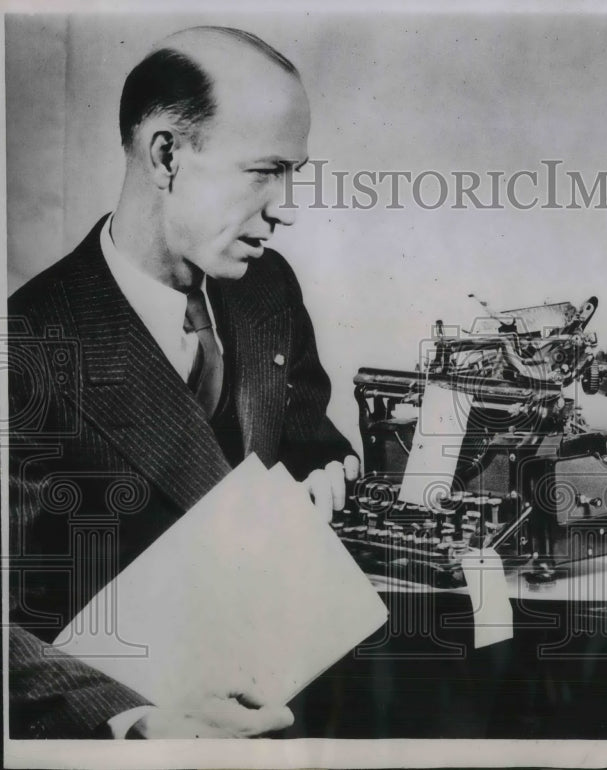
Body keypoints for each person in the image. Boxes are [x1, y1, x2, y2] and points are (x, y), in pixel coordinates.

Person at [6, 26, 358, 739]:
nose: (285, 205)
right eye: (263, 171)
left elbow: (307, 442)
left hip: (280, 698)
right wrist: (136, 722)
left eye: (293, 173)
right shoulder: (28, 344)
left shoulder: (267, 292)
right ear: (166, 156)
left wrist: (327, 475)